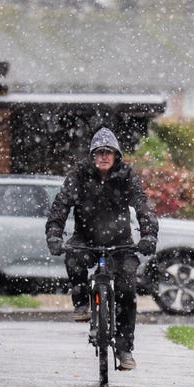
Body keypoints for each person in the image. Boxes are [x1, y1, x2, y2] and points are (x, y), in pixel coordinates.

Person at [45, 127, 158, 370]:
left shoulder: (126, 175)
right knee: (74, 258)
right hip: (86, 238)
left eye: (109, 152)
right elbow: (60, 207)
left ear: (116, 156)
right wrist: (54, 235)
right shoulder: (79, 175)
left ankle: (124, 349)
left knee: (127, 290)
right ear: (92, 155)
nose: (104, 157)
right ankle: (81, 302)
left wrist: (148, 235)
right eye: (99, 152)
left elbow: (142, 206)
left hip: (120, 242)